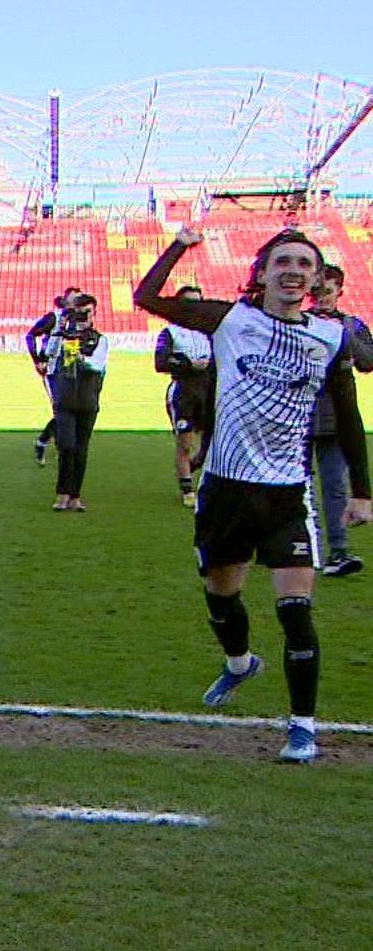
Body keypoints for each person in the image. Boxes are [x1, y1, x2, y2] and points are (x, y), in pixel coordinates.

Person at [134, 225, 372, 763]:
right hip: (225, 492)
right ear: (261, 273)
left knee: (295, 611)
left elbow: (350, 417)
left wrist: (362, 491)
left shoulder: (330, 337)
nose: (293, 269)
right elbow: (146, 298)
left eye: (304, 264)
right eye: (282, 261)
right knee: (221, 594)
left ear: (314, 279)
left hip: (288, 495)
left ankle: (302, 727)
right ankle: (240, 663)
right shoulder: (230, 320)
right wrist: (179, 245)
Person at [307, 264, 373, 575]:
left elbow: (368, 362)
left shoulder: (352, 325)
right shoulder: (298, 323)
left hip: (336, 420)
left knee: (334, 486)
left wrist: (342, 332)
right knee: (296, 487)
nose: (321, 297)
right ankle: (299, 549)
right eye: (316, 291)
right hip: (298, 417)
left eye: (327, 291)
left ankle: (338, 551)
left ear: (339, 292)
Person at [44, 294, 108, 512]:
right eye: (78, 313)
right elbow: (48, 354)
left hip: (87, 401)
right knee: (66, 446)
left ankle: (75, 495)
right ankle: (62, 493)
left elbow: (97, 366)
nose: (82, 317)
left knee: (81, 449)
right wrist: (59, 330)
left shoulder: (99, 339)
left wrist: (80, 358)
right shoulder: (63, 336)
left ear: (94, 314)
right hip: (65, 399)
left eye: (86, 313)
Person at [154, 287, 213, 506]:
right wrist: (188, 364)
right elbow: (160, 362)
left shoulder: (209, 331)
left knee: (212, 442)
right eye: (190, 302)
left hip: (208, 390)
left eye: (199, 302)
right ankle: (187, 489)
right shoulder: (171, 332)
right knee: (185, 442)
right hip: (183, 391)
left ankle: (195, 470)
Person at [27, 287, 82, 466]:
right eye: (74, 299)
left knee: (68, 409)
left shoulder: (77, 320)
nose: (76, 303)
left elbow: (74, 345)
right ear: (66, 300)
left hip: (69, 370)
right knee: (61, 409)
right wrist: (37, 360)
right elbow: (30, 335)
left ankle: (50, 444)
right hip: (52, 370)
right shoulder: (54, 318)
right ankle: (48, 445)